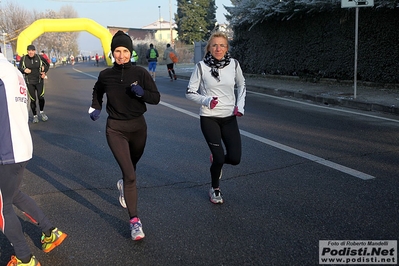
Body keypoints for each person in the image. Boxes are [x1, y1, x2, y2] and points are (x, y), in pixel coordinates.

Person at [88, 30, 160, 240]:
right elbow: (97, 91)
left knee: (132, 168)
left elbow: (156, 98)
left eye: (125, 51)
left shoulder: (140, 73)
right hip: (115, 129)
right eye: (117, 51)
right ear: (112, 53)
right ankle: (135, 222)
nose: (121, 55)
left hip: (138, 128)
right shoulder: (105, 75)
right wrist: (95, 107)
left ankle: (124, 184)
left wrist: (142, 94)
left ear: (131, 52)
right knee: (130, 175)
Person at [0, 47, 67, 266]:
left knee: (3, 208)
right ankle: (50, 231)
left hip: (6, 151)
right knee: (14, 195)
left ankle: (23, 259)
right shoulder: (12, 70)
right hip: (21, 146)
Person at [185, 31, 246, 204]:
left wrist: (239, 106)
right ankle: (215, 188)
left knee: (234, 159)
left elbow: (242, 84)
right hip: (209, 117)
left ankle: (217, 161)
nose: (218, 48)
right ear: (209, 48)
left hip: (229, 117)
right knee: (219, 157)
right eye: (215, 45)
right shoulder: (201, 67)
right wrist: (206, 100)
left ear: (227, 48)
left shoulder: (234, 65)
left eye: (222, 45)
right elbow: (190, 92)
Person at [18, 45, 50, 123]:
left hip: (39, 81)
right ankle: (35, 116)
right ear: (27, 51)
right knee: (33, 100)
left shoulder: (39, 57)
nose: (31, 52)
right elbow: (19, 68)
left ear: (35, 51)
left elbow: (47, 64)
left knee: (41, 97)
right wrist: (24, 70)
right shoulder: (24, 58)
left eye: (32, 50)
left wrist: (44, 72)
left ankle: (42, 113)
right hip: (30, 82)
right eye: (29, 50)